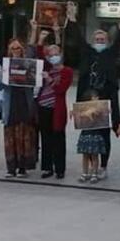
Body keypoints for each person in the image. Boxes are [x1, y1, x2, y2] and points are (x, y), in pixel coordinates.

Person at [77, 9, 120, 179]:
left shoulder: (110, 54)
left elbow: (119, 39)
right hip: (88, 100)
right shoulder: (88, 53)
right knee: (89, 134)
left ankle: (103, 166)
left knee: (104, 135)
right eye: (97, 39)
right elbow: (78, 39)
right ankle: (90, 167)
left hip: (105, 100)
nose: (99, 41)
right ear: (93, 41)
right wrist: (71, 19)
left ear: (106, 41)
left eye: (102, 39)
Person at [0, 38, 38, 178]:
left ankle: (23, 168)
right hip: (10, 106)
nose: (15, 51)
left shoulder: (28, 64)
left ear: (22, 50)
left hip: (24, 104)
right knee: (10, 138)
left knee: (24, 137)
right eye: (13, 48)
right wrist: (3, 78)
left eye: (18, 48)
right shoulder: (6, 65)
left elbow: (35, 81)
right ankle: (11, 168)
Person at [37, 42, 72, 180]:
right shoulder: (46, 67)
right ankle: (47, 168)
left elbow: (61, 89)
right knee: (45, 138)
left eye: (56, 54)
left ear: (61, 55)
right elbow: (38, 54)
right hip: (43, 106)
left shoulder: (67, 71)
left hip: (57, 109)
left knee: (58, 138)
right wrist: (40, 39)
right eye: (51, 55)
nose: (53, 57)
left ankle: (60, 169)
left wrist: (50, 79)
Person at [76, 89, 107, 184]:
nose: (97, 99)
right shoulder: (84, 109)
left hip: (95, 134)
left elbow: (104, 117)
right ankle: (84, 173)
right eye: (94, 98)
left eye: (97, 97)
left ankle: (94, 173)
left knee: (95, 156)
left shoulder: (99, 109)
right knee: (85, 156)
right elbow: (79, 118)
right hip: (86, 134)